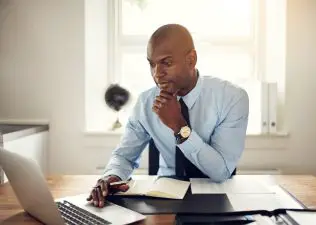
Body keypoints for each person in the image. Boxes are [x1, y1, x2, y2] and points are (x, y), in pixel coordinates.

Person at [87, 24, 249, 208]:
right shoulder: (146, 102)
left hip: (218, 198)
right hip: (163, 197)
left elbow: (221, 172)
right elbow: (124, 156)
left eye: (166, 62)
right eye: (151, 64)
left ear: (191, 59)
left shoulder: (232, 98)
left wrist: (179, 126)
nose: (157, 74)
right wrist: (112, 177)